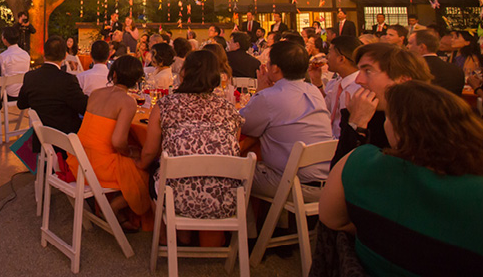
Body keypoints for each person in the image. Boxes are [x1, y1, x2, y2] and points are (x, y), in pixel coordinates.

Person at [319, 81, 483, 275]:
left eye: (388, 118)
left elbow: (331, 219)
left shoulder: (360, 162)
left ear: (402, 130)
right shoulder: (482, 192)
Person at [137, 50, 243, 219]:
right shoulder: (229, 109)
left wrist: (140, 165)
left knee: (151, 171)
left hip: (176, 199)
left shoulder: (166, 105)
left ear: (184, 72)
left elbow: (150, 151)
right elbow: (234, 149)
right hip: (225, 200)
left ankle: (165, 237)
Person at [239, 40, 333, 201]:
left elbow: (242, 125)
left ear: (275, 68)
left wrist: (261, 91)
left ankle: (247, 226)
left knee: (232, 174)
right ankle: (278, 222)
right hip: (328, 180)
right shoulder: (313, 90)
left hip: (294, 183)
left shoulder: (269, 97)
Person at [67, 56, 150, 231]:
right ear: (136, 80)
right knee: (144, 173)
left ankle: (115, 214)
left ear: (113, 74)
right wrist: (130, 153)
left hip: (78, 159)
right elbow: (118, 141)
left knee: (134, 161)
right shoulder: (127, 102)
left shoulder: (96, 93)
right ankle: (112, 209)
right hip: (99, 165)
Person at [331, 42, 433, 166]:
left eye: (368, 71)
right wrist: (356, 124)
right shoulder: (359, 112)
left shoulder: (429, 121)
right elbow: (339, 172)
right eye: (359, 71)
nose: (358, 80)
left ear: (403, 80)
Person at [17, 36, 88, 151]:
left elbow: (21, 104)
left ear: (44, 54)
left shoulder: (30, 76)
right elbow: (84, 107)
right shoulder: (67, 80)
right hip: (66, 141)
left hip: (41, 138)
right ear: (65, 56)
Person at [313, 36, 361, 139]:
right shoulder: (339, 82)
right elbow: (326, 106)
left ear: (341, 59)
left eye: (330, 53)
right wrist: (317, 82)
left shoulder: (358, 87)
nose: (327, 57)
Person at [406, 29, 464, 95]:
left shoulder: (414, 69)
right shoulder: (456, 70)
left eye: (410, 43)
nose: (407, 46)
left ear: (422, 47)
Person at [0, 25, 30, 102]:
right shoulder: (25, 54)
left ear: (5, 39)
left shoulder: (3, 56)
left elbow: (1, 75)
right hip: (23, 92)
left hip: (8, 93)